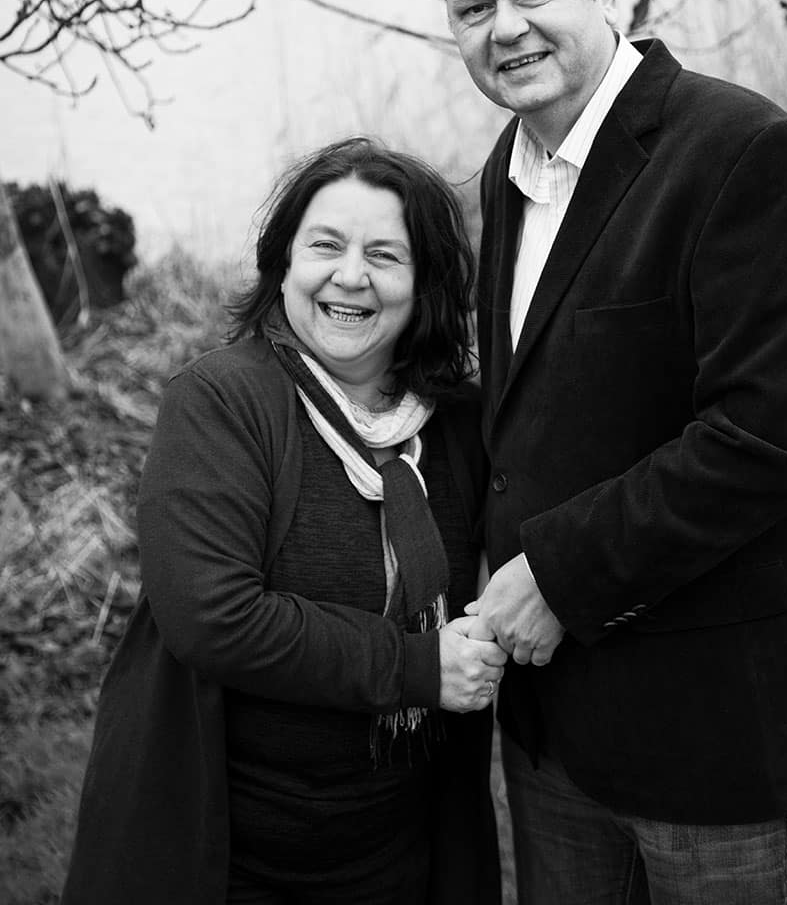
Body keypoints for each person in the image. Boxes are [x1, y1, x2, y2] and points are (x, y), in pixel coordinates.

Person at [439, 0, 787, 904]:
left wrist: (555, 575)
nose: (503, 28)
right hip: (553, 741)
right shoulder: (505, 176)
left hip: (709, 748)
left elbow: (763, 437)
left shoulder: (740, 151)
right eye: (472, 9)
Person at [60, 137, 506, 905]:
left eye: (384, 255)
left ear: (424, 281)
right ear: (285, 264)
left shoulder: (460, 423)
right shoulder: (221, 401)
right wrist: (415, 667)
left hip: (403, 855)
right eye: (324, 246)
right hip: (235, 864)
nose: (349, 275)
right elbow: (213, 616)